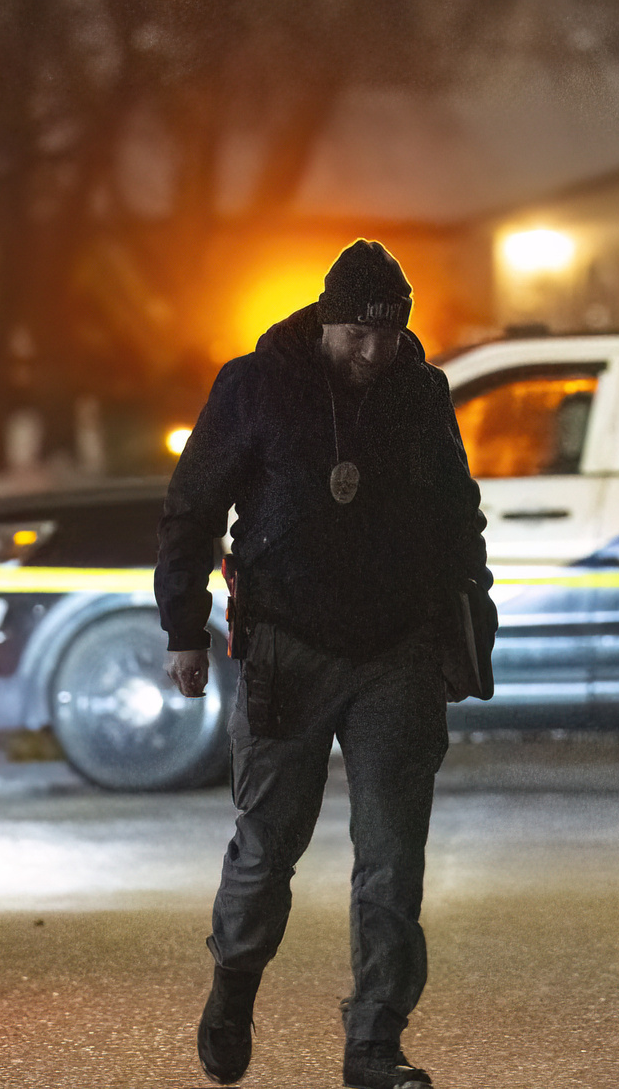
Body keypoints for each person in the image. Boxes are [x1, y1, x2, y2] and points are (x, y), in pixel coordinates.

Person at [155, 238, 490, 1089]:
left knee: (393, 859)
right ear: (326, 322)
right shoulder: (256, 386)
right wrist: (184, 630)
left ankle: (375, 1042)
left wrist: (470, 621)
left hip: (398, 654)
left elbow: (458, 516)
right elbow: (193, 508)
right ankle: (234, 988)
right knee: (266, 849)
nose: (373, 352)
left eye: (388, 334)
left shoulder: (420, 393)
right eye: (356, 335)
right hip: (287, 649)